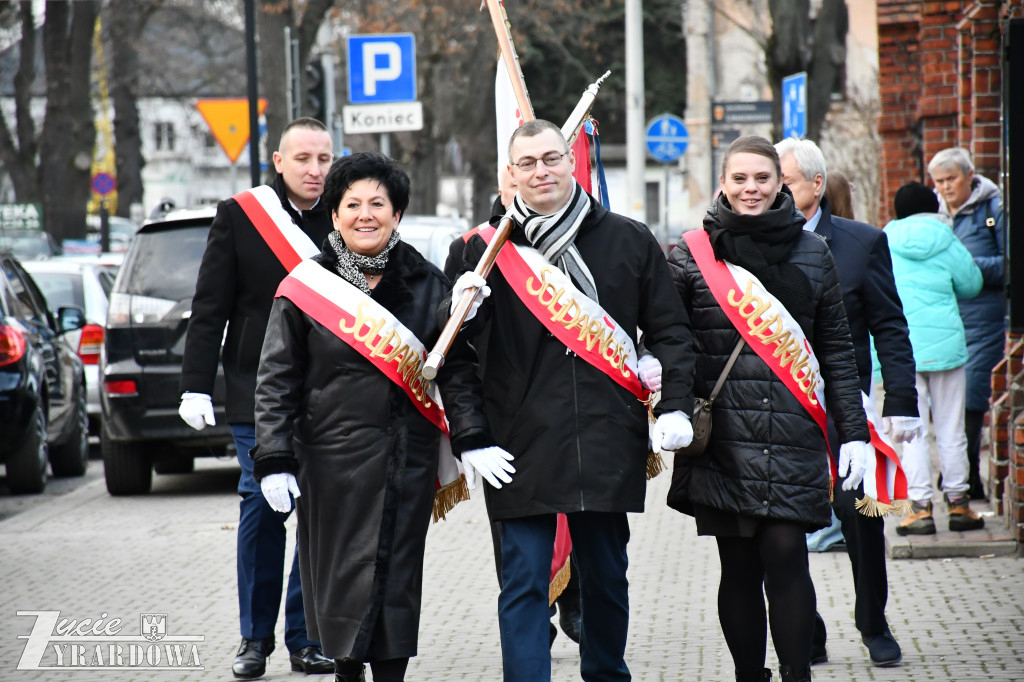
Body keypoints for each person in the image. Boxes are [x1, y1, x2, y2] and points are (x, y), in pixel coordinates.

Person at [445, 119, 696, 681]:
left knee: (606, 579)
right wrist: (471, 435)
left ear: (571, 161)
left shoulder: (628, 239)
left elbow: (671, 331)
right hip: (517, 443)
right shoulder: (478, 253)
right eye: (527, 163)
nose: (542, 171)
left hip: (606, 435)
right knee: (523, 583)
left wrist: (675, 403)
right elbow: (455, 357)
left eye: (552, 158)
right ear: (510, 173)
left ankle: (607, 674)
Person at [251, 152, 501, 682]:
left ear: (397, 213)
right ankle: (346, 672)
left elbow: (454, 370)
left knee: (397, 578)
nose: (365, 215)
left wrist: (471, 436)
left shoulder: (427, 283)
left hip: (406, 462)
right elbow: (276, 380)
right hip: (329, 464)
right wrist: (273, 458)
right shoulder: (306, 286)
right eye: (352, 204)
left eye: (378, 204)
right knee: (339, 580)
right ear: (334, 215)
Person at [667, 135, 871, 682]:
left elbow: (836, 350)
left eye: (762, 178)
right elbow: (669, 340)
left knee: (786, 555)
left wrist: (854, 433)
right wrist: (670, 407)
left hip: (792, 432)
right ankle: (748, 675)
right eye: (740, 179)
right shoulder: (691, 254)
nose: (751, 188)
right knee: (738, 566)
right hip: (725, 438)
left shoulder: (813, 252)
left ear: (781, 183)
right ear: (723, 184)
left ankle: (797, 674)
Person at [178, 117, 335, 679]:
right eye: (303, 159)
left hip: (328, 391)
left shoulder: (346, 213)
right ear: (279, 161)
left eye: (324, 159)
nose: (314, 170)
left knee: (317, 515)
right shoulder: (242, 215)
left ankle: (306, 637)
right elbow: (210, 305)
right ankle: (254, 639)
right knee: (264, 508)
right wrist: (196, 383)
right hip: (256, 390)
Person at [776, 137, 920, 669]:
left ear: (817, 185)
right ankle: (805, 628)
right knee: (781, 528)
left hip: (845, 407)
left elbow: (889, 325)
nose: (774, 191)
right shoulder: (750, 245)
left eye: (784, 181)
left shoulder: (862, 243)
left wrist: (901, 399)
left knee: (861, 516)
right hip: (777, 408)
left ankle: (873, 622)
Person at [449, 166, 583, 648]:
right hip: (506, 412)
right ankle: (533, 618)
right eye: (517, 178)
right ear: (504, 185)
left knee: (577, 515)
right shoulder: (473, 247)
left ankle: (576, 602)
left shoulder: (577, 237)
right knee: (513, 534)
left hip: (571, 408)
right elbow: (456, 343)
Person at [881, 182, 984, 535]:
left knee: (911, 430)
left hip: (902, 349)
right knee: (951, 427)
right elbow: (972, 284)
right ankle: (959, 503)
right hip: (946, 348)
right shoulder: (946, 238)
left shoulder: (885, 241)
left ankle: (919, 508)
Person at [927, 147, 1005, 500]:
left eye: (951, 179)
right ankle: (962, 474)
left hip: (984, 320)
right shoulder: (934, 215)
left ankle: (965, 474)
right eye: (939, 181)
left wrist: (967, 267)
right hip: (946, 320)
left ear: (970, 176)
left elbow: (1008, 263)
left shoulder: (993, 209)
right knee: (947, 402)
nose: (945, 187)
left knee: (972, 397)